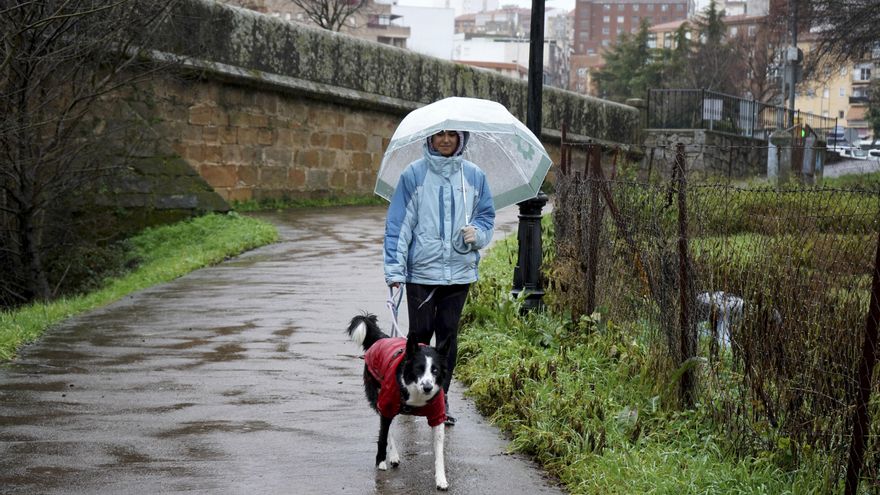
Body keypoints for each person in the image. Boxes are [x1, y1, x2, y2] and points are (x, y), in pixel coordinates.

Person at [383, 129, 495, 425]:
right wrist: (394, 270)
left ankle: (438, 402)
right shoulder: (413, 175)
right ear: (429, 139)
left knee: (447, 337)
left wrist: (479, 234)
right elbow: (398, 225)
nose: (445, 140)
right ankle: (410, 394)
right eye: (439, 135)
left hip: (459, 273)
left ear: (462, 138)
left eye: (452, 135)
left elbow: (486, 216)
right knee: (419, 335)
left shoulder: (473, 176)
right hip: (422, 271)